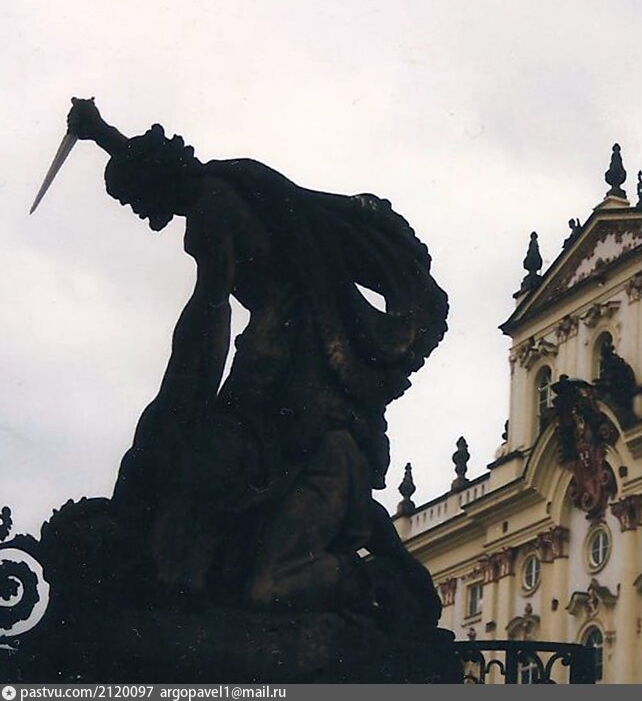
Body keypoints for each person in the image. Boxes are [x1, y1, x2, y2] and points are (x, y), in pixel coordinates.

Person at [66, 98, 447, 629]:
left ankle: (206, 580)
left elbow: (208, 314)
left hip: (284, 349)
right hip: (286, 342)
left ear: (153, 186)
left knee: (231, 449)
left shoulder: (209, 213)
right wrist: (101, 132)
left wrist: (179, 404)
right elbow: (156, 163)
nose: (144, 217)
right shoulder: (224, 180)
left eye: (137, 202)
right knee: (254, 451)